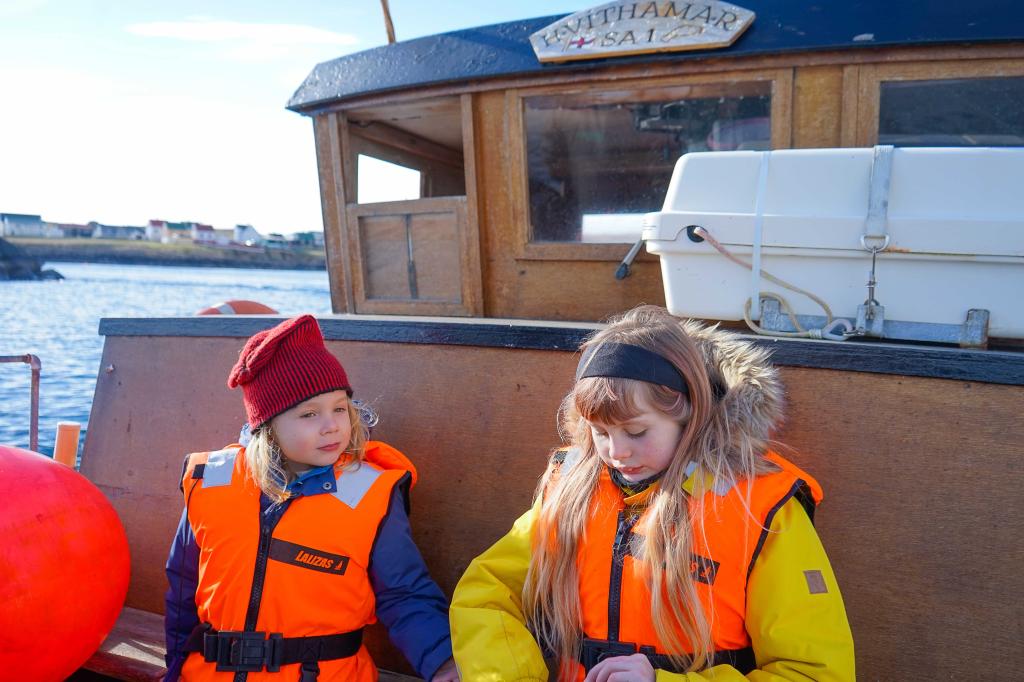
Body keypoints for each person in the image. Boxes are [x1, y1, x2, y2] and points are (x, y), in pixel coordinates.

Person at [450, 305, 855, 681]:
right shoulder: (570, 487)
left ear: (688, 415)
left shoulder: (762, 508)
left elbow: (815, 671)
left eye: (637, 431)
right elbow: (486, 594)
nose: (617, 451)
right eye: (600, 432)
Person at [164, 314, 459, 682]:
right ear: (267, 428)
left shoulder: (371, 494)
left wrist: (443, 663)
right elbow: (182, 588)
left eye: (339, 408)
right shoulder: (210, 484)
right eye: (309, 414)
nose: (332, 424)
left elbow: (405, 594)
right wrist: (174, 668)